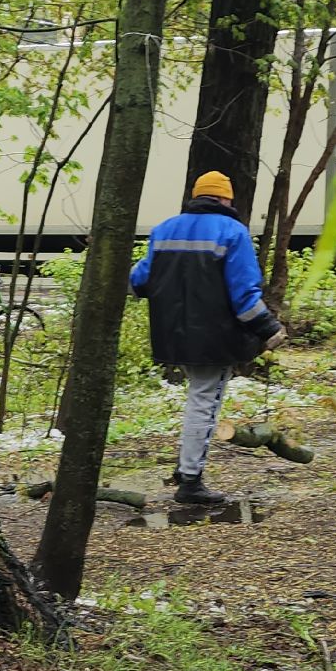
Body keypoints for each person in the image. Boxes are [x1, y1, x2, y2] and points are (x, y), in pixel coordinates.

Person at [130, 171, 285, 505]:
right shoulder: (232, 231)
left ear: (198, 196)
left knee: (197, 401)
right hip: (214, 339)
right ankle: (190, 481)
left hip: (172, 335)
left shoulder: (165, 229)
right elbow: (244, 296)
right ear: (225, 199)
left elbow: (138, 281)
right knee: (204, 405)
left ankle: (186, 470)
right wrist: (270, 328)